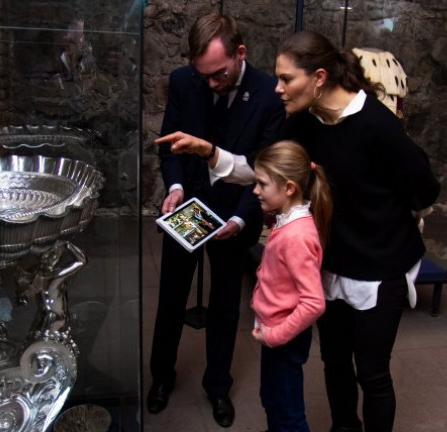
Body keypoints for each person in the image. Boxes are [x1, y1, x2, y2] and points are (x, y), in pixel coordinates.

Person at [167, 30, 440, 432]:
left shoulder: (378, 125)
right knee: (334, 362)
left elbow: (425, 192)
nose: (277, 88)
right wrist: (210, 152)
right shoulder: (302, 122)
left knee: (372, 373)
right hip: (331, 263)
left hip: (380, 268)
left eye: (286, 79)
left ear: (319, 78)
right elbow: (265, 172)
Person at [149, 12, 285, 428]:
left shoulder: (267, 93)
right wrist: (173, 188)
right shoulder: (183, 81)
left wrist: (244, 222)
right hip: (187, 207)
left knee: (227, 308)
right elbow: (168, 149)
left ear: (239, 53)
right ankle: (160, 378)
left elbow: (264, 169)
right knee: (171, 296)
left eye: (219, 74)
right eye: (202, 74)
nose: (210, 83)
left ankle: (218, 386)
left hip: (234, 214)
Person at [251, 141, 330, 432]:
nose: (255, 190)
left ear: (289, 188)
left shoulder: (296, 235)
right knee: (272, 399)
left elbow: (313, 303)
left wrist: (275, 336)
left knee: (288, 415)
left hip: (283, 336)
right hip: (275, 330)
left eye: (261, 184)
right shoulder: (285, 222)